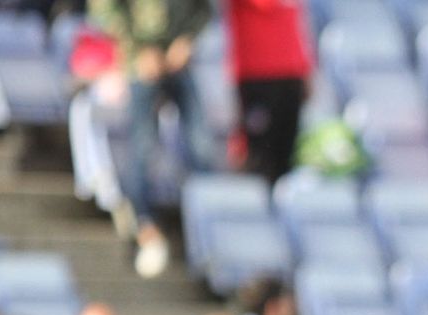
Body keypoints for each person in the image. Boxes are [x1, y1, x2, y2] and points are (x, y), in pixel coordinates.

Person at [90, 0, 215, 279]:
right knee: (142, 147)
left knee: (202, 146)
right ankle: (145, 225)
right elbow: (106, 10)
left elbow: (204, 10)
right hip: (142, 63)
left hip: (178, 61)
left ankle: (208, 229)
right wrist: (138, 50)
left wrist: (186, 40)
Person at [225, 0, 312, 184]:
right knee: (258, 153)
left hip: (291, 72)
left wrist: (305, 68)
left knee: (288, 152)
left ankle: (282, 207)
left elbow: (295, 25)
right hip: (257, 73)